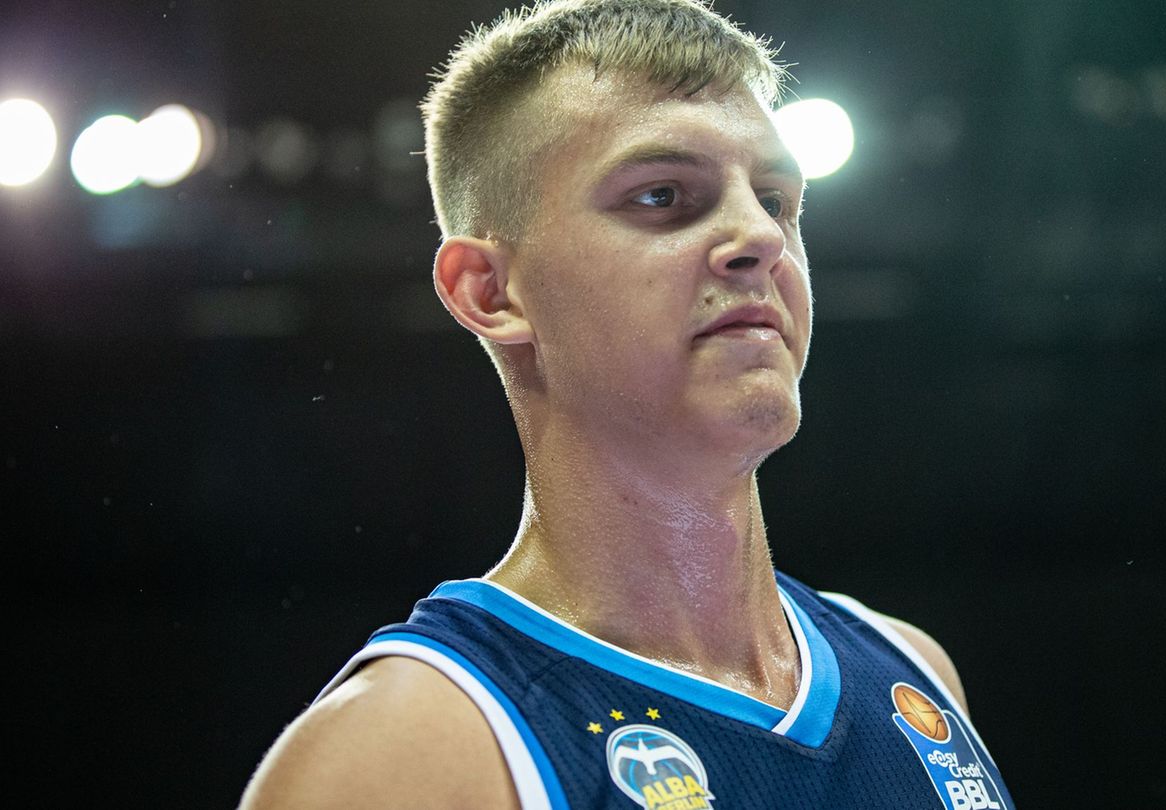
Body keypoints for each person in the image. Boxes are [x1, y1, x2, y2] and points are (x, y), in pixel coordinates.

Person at [240, 1, 1015, 807]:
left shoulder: (917, 677)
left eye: (776, 199)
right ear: (490, 291)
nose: (761, 238)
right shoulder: (407, 753)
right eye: (663, 195)